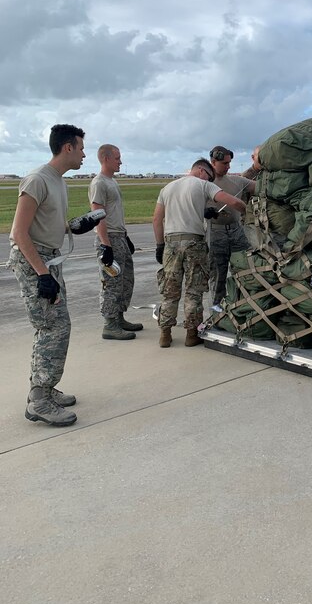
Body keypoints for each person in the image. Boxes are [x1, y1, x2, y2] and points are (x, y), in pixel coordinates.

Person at [8, 124, 86, 427]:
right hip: (35, 261)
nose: (83, 154)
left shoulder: (58, 181)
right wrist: (42, 274)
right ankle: (40, 398)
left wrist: (71, 227)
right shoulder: (38, 180)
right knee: (53, 327)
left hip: (49, 260)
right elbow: (18, 232)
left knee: (55, 325)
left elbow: (47, 221)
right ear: (67, 147)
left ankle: (45, 388)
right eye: (81, 148)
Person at [153, 158, 246, 348]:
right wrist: (246, 210)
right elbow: (233, 201)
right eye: (210, 177)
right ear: (203, 171)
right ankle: (191, 334)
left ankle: (165, 334)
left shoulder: (167, 188)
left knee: (170, 292)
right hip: (194, 243)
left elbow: (156, 219)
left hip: (171, 243)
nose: (210, 181)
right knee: (193, 291)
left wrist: (159, 245)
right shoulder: (204, 185)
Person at [89, 144, 143, 341]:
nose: (120, 161)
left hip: (119, 236)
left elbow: (114, 214)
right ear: (106, 159)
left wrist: (125, 237)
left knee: (125, 280)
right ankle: (110, 324)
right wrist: (106, 245)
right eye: (117, 158)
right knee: (112, 282)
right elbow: (98, 215)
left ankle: (119, 317)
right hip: (109, 238)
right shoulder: (99, 183)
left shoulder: (112, 182)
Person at [206, 146, 256, 307]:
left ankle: (241, 307)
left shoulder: (237, 181)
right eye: (224, 163)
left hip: (236, 231)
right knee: (218, 274)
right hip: (215, 233)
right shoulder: (204, 184)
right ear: (213, 162)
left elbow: (260, 186)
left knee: (243, 269)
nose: (228, 167)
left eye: (229, 163)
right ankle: (216, 310)